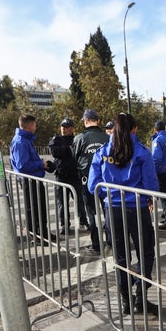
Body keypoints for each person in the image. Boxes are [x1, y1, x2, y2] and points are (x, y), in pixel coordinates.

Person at [88, 113, 160, 316]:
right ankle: (140, 296)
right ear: (134, 129)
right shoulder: (141, 152)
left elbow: (93, 185)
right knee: (145, 252)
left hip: (113, 210)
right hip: (137, 208)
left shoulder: (103, 152)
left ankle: (126, 300)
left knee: (120, 257)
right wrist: (148, 199)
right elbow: (151, 185)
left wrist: (108, 196)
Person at [10, 113, 55, 243]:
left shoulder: (25, 140)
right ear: (29, 126)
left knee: (39, 207)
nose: (36, 126)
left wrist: (41, 163)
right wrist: (41, 164)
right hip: (29, 180)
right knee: (33, 209)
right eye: (35, 124)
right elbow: (22, 165)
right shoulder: (20, 141)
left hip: (33, 178)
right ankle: (35, 235)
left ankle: (43, 233)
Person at [73, 109, 109, 255]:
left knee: (92, 214)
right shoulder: (107, 138)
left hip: (87, 181)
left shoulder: (79, 138)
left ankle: (96, 244)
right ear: (98, 121)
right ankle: (112, 241)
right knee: (108, 211)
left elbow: (74, 159)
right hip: (106, 182)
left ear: (86, 120)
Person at [49, 118, 84, 234]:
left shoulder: (77, 139)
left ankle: (83, 221)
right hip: (61, 176)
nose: (63, 129)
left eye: (66, 127)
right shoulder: (57, 139)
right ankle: (65, 225)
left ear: (72, 128)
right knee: (62, 203)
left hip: (75, 176)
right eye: (62, 126)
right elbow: (55, 153)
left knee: (80, 201)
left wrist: (66, 150)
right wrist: (68, 149)